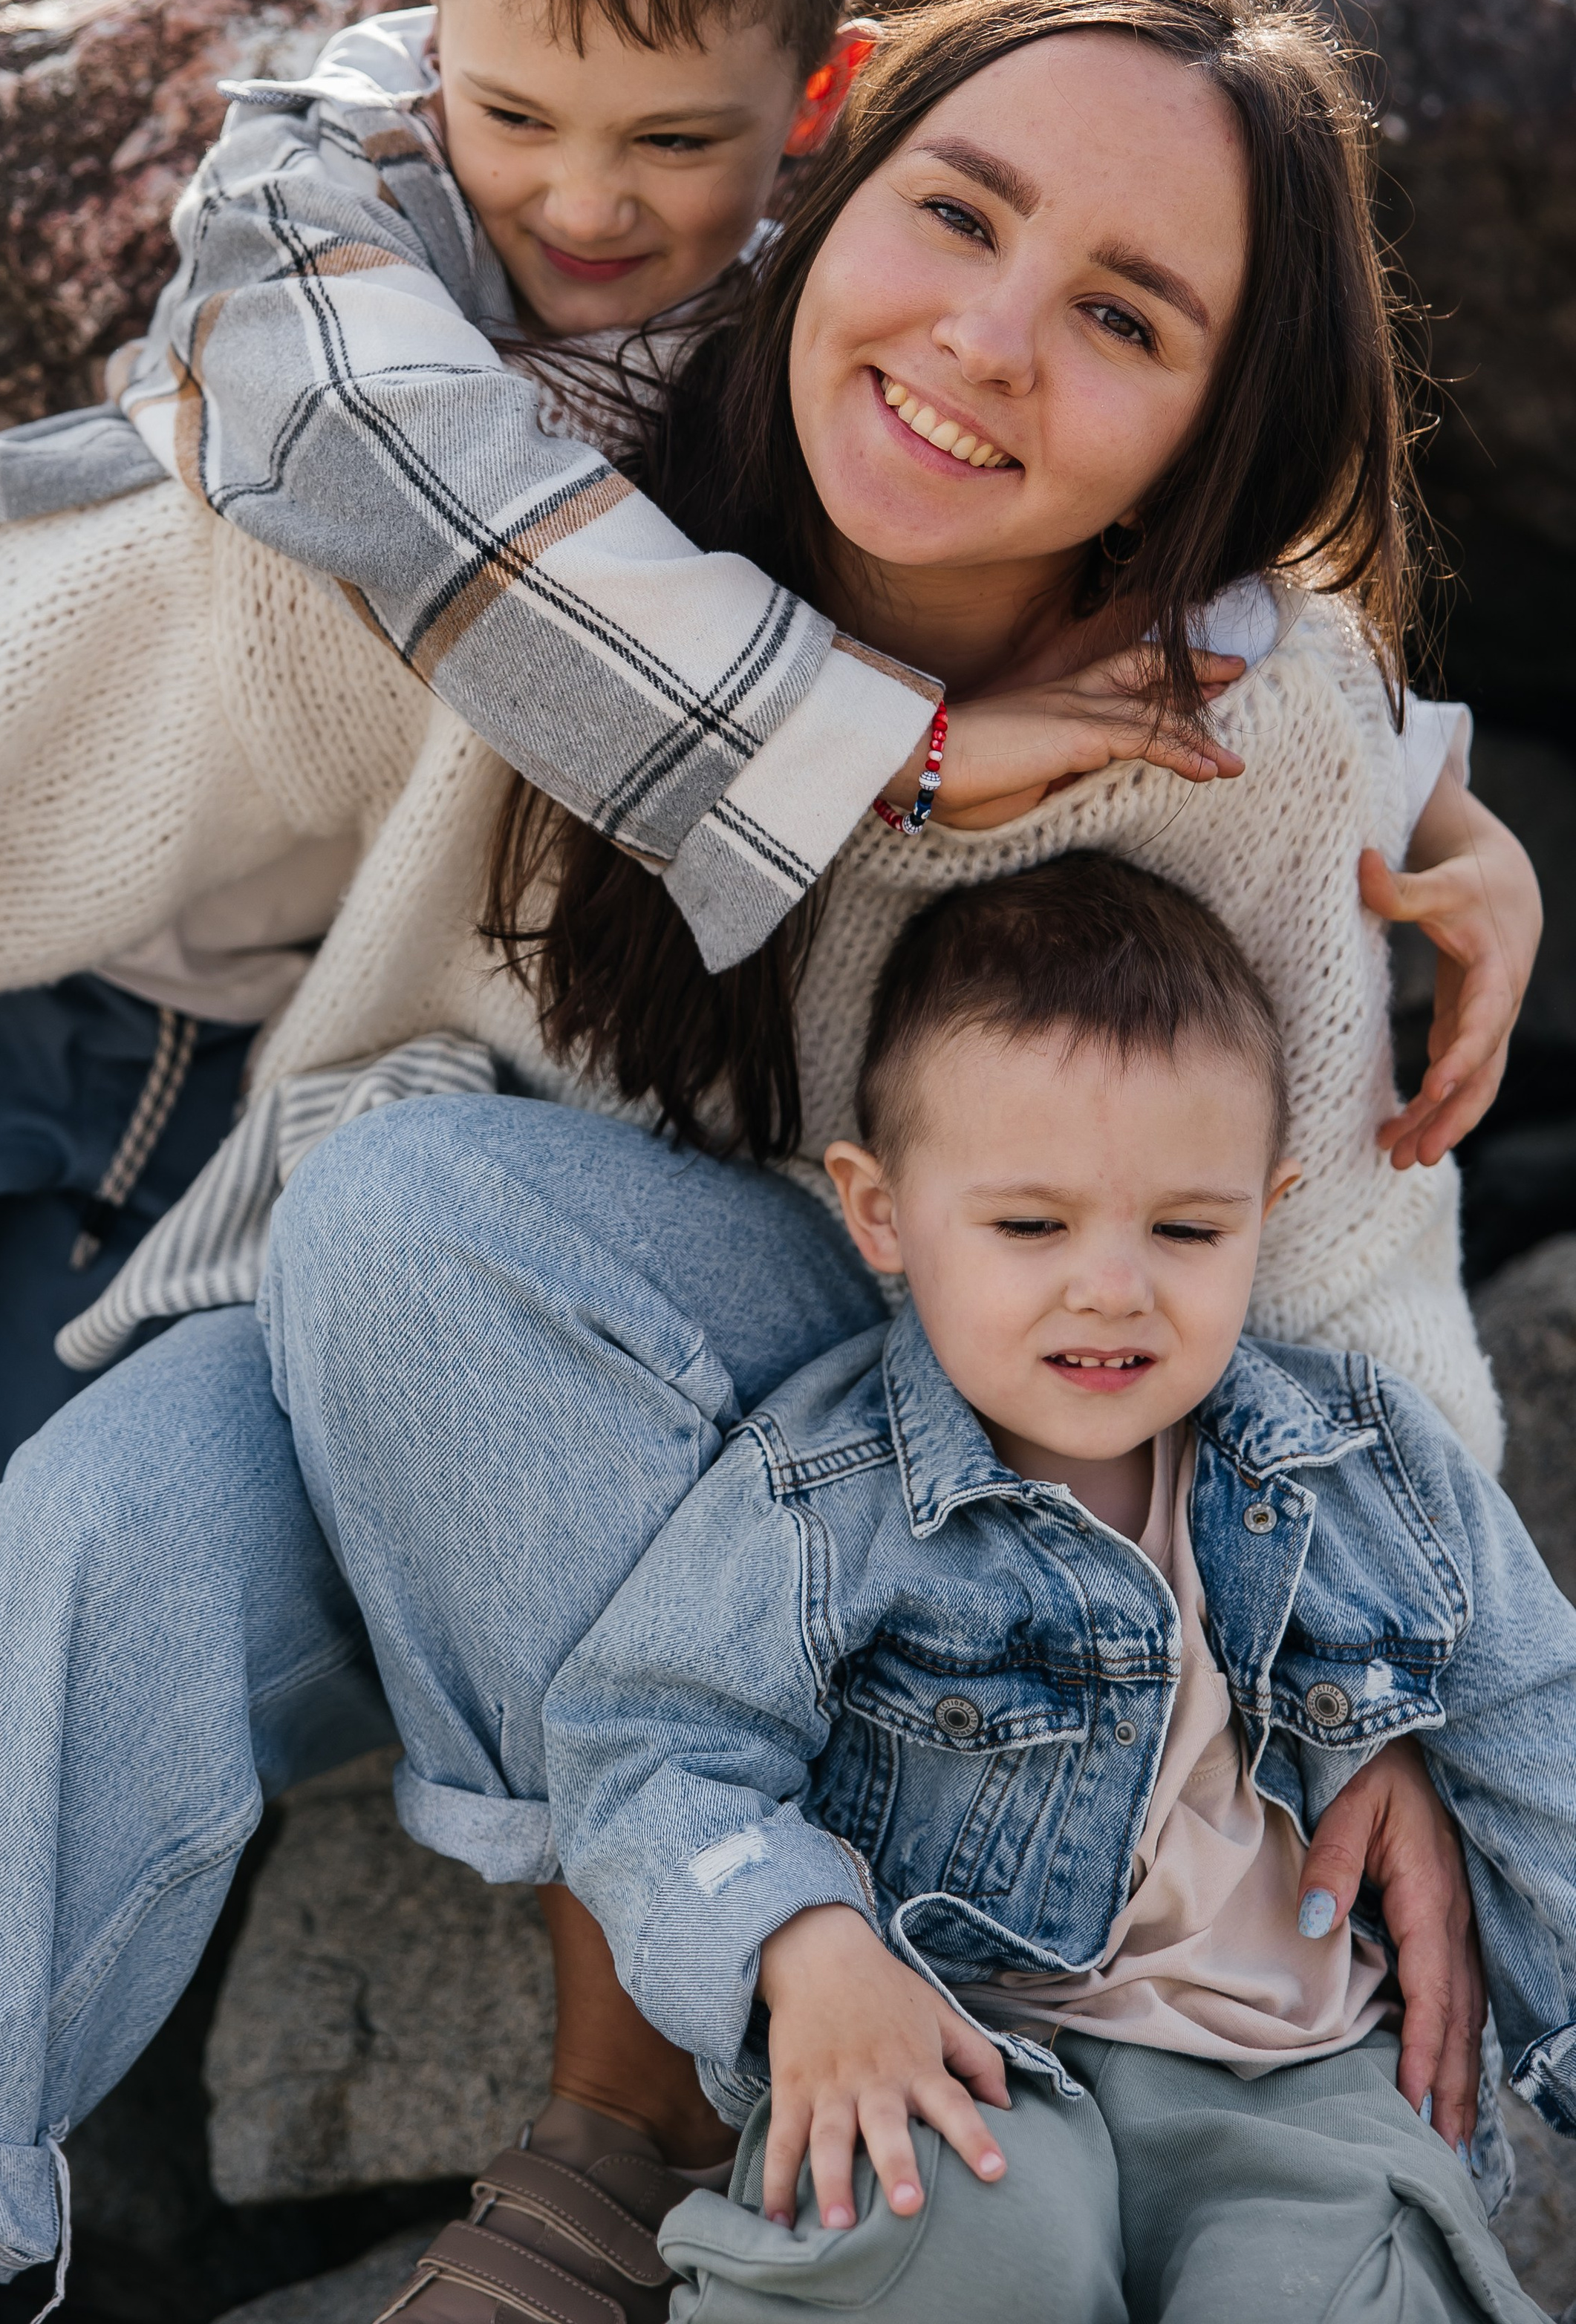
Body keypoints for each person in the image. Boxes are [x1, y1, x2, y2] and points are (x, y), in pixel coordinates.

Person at [0, 0, 1534, 2322]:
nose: (988, 340)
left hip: (904, 1462)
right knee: (77, 1548)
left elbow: (1319, 1260)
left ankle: (619, 2126)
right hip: (402, 1355)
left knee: (408, 1196)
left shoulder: (1226, 729)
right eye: (959, 216)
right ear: (840, 142)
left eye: (1125, 319)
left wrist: (1372, 1692)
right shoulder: (532, 518)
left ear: (1221, 426)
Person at [0, 0, 932, 2304]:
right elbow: (405, 477)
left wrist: (1409, 795)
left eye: (676, 143)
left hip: (246, 1082)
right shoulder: (313, 181)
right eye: (520, 115)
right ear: (423, 20)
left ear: (810, 112)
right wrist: (896, 740)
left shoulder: (816, 345)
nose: (582, 199)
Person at [541, 852, 1569, 2324]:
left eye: (1184, 1228)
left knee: (1326, 2290)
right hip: (958, 2032)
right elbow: (644, 1747)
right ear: (879, 1213)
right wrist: (794, 1937)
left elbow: (1540, 1746)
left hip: (1298, 2068)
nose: (1110, 1286)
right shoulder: (820, 1496)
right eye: (1029, 1227)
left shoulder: (1368, 1469)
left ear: (1264, 1211)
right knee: (934, 2240)